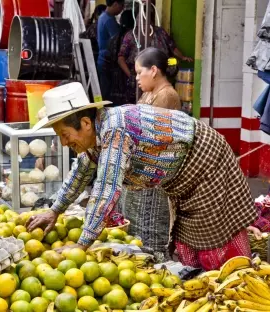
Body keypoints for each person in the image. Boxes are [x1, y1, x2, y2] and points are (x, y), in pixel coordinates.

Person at [27, 82, 256, 271]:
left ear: (85, 123)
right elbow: (81, 171)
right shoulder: (95, 136)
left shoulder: (115, 130)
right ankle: (201, 287)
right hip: (181, 179)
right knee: (187, 235)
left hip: (207, 162)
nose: (64, 143)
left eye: (65, 135)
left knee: (212, 233)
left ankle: (234, 283)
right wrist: (55, 210)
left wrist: (81, 245)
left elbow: (106, 189)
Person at [121, 48, 181, 261]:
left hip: (155, 175)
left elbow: (150, 136)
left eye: (139, 72)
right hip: (142, 171)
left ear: (154, 70)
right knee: (135, 228)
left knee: (150, 230)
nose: (136, 78)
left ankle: (156, 263)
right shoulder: (149, 93)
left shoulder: (167, 96)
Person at [118, 8, 192, 103]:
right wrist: (132, 75)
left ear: (152, 22)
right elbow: (121, 58)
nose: (142, 24)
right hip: (138, 82)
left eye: (145, 21)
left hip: (159, 78)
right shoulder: (130, 36)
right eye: (139, 21)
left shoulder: (160, 32)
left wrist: (182, 57)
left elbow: (172, 47)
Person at [102, 9, 134, 103]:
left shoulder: (113, 39)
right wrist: (131, 76)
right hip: (126, 83)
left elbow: (108, 59)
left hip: (113, 83)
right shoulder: (132, 38)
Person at [97, 0, 124, 100]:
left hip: (102, 58)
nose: (121, 9)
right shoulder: (109, 20)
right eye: (121, 6)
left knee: (105, 89)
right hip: (106, 60)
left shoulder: (103, 16)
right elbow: (118, 39)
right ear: (116, 4)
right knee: (106, 92)